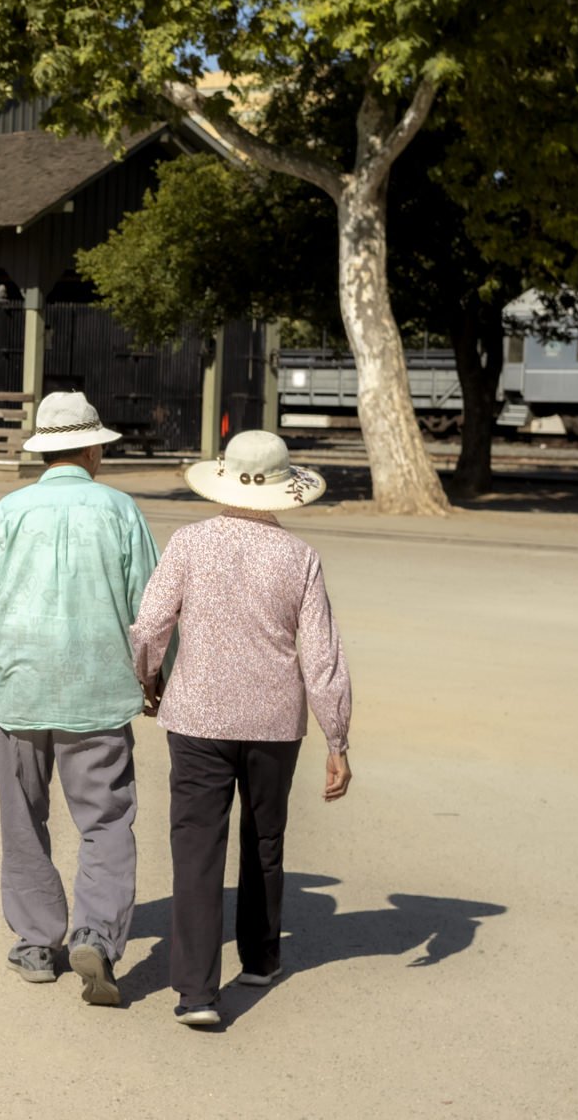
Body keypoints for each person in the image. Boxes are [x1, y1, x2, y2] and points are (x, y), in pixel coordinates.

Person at [128, 430, 354, 1030]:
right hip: (275, 722)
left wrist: (148, 679)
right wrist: (337, 738)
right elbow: (322, 656)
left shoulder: (189, 543)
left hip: (197, 716)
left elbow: (150, 626)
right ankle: (260, 958)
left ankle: (196, 992)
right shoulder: (300, 557)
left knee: (196, 847)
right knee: (265, 838)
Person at [0, 390, 163, 1006]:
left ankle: (35, 942)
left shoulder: (10, 510)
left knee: (23, 818)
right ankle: (96, 936)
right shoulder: (120, 510)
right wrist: (154, 676)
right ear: (92, 448)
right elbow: (149, 606)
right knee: (106, 820)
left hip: (19, 684)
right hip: (97, 689)